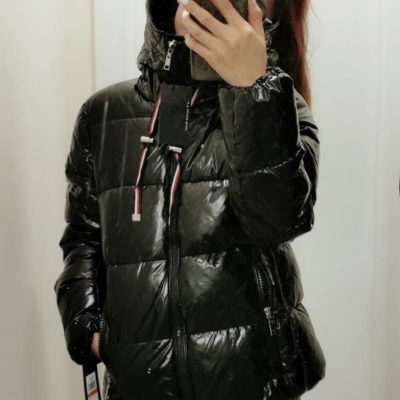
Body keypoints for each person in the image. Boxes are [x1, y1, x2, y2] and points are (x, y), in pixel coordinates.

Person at [53, 0, 326, 399]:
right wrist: (86, 327)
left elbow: (278, 221)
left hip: (255, 384)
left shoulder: (281, 105)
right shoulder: (103, 114)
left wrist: (254, 91)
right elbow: (83, 236)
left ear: (268, 14)